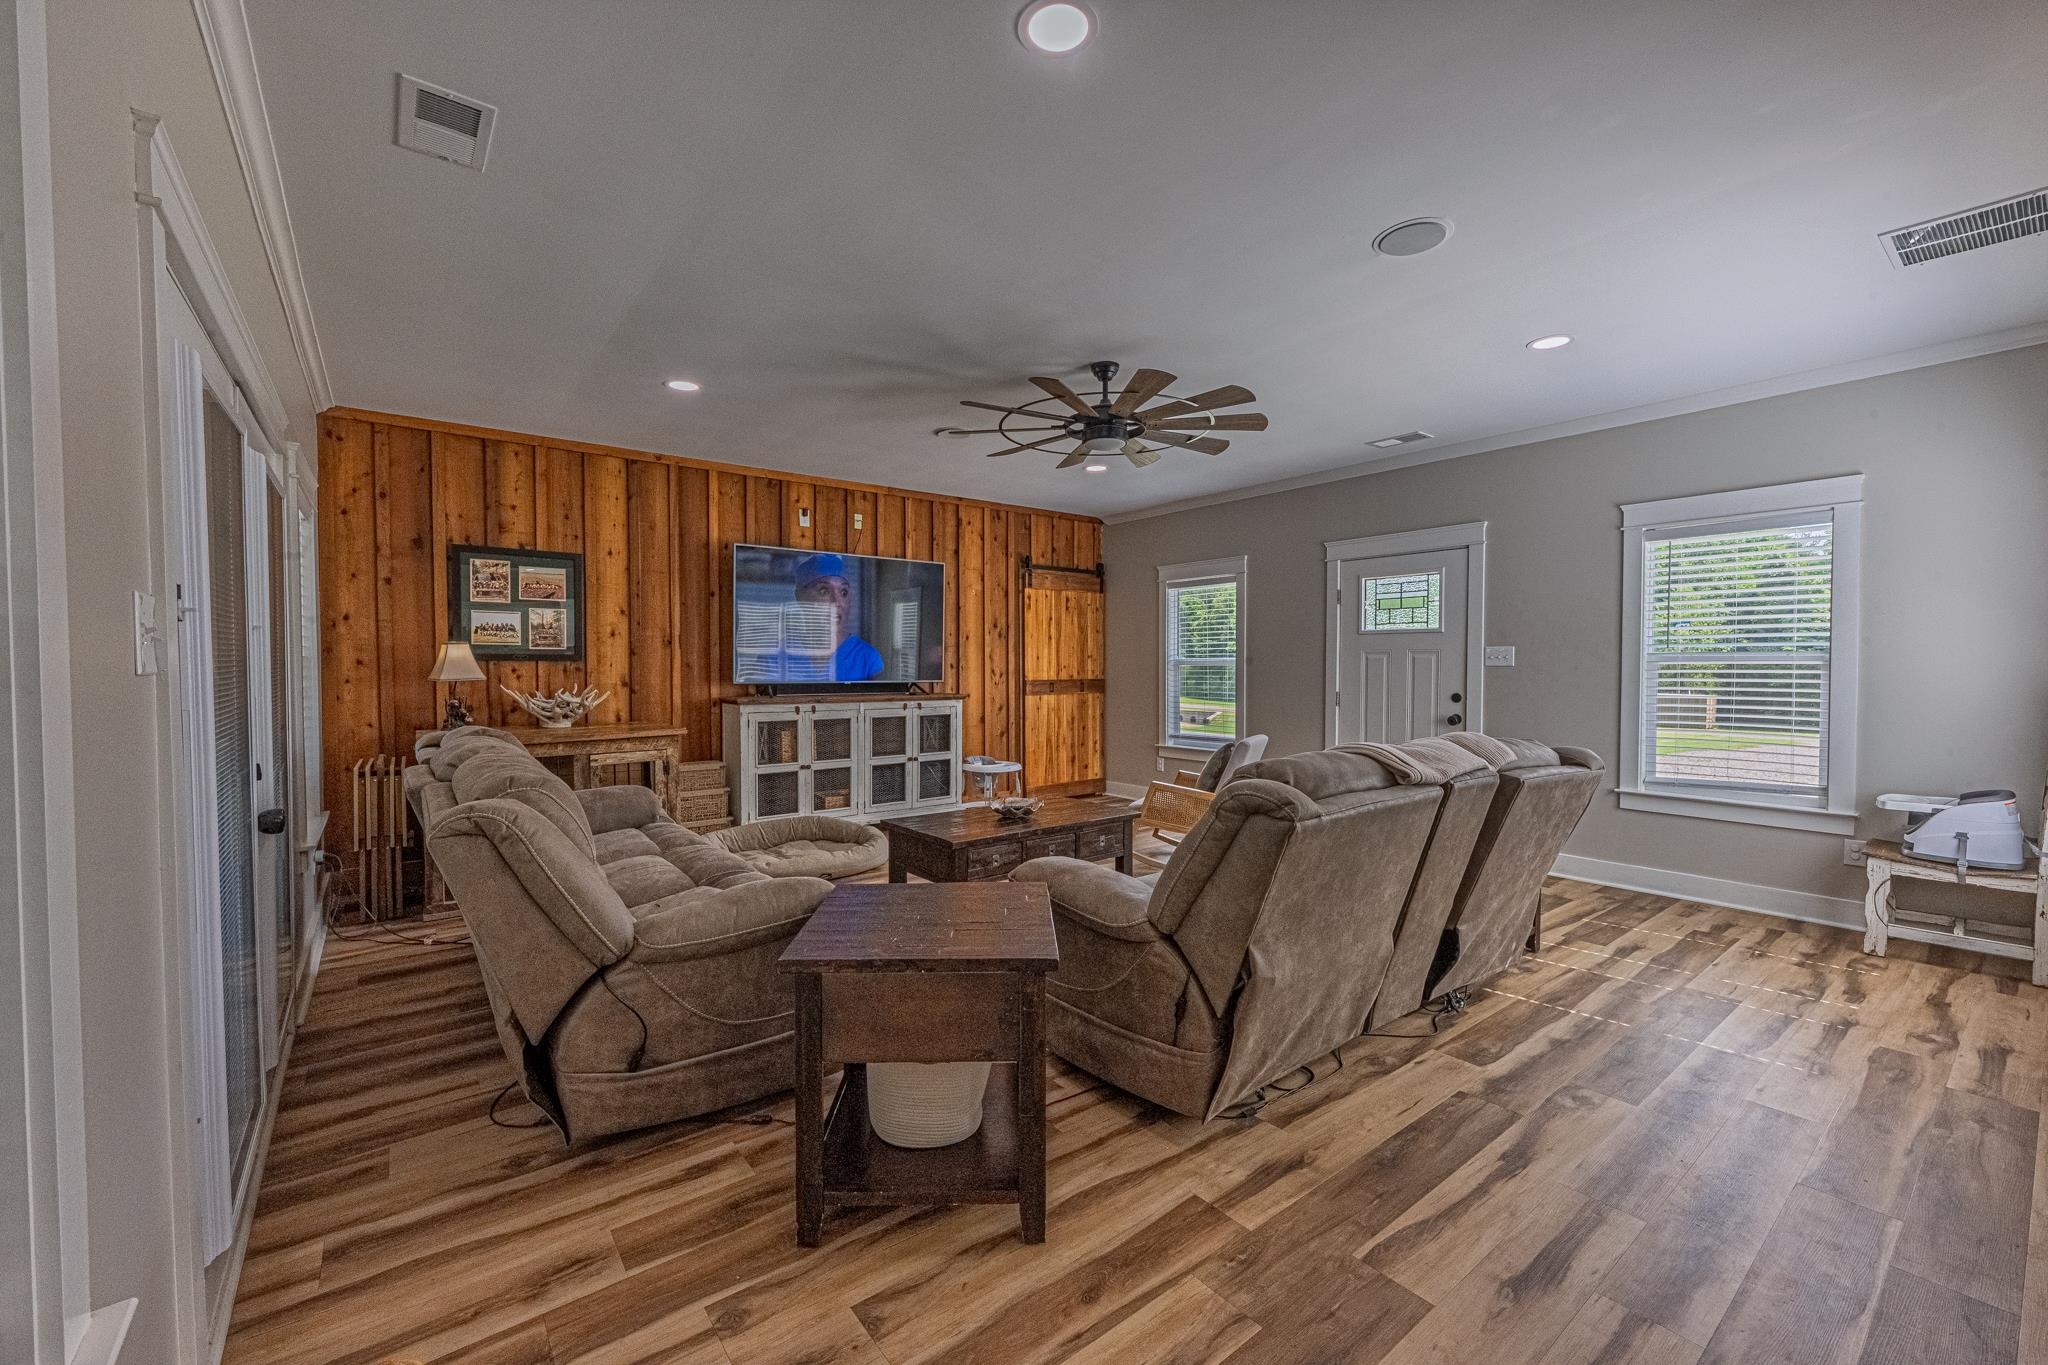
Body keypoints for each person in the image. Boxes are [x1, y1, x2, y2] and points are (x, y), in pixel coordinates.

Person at [791, 553, 884, 682]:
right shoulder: (774, 658)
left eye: (843, 592)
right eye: (824, 591)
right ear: (800, 597)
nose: (837, 602)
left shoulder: (868, 658)